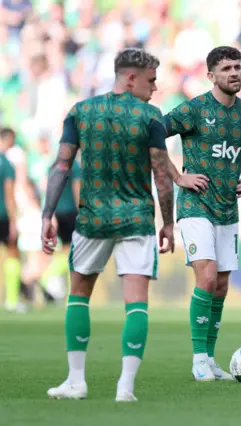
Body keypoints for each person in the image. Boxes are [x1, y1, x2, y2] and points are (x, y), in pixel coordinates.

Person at [41, 48, 176, 402]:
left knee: (78, 296)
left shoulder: (81, 111)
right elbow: (162, 175)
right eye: (150, 80)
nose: (155, 87)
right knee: (136, 303)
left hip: (93, 219)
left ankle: (76, 381)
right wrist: (169, 223)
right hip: (136, 219)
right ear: (130, 78)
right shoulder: (151, 116)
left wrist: (47, 214)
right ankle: (125, 388)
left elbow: (61, 166)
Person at [163, 46, 241, 382]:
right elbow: (151, 139)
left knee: (222, 286)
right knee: (207, 278)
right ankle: (198, 358)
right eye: (226, 68)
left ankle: (210, 359)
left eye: (237, 67)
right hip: (195, 205)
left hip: (228, 208)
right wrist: (179, 176)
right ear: (211, 75)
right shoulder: (194, 110)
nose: (234, 73)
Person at [41, 159, 81, 301]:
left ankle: (70, 291)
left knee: (67, 250)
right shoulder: (74, 165)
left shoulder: (53, 165)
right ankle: (48, 276)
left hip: (57, 212)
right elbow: (77, 189)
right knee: (73, 253)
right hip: (71, 212)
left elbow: (49, 190)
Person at [0, 130, 21, 312]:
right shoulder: (7, 165)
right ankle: (12, 300)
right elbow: (9, 195)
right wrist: (14, 221)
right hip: (2, 215)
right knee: (13, 254)